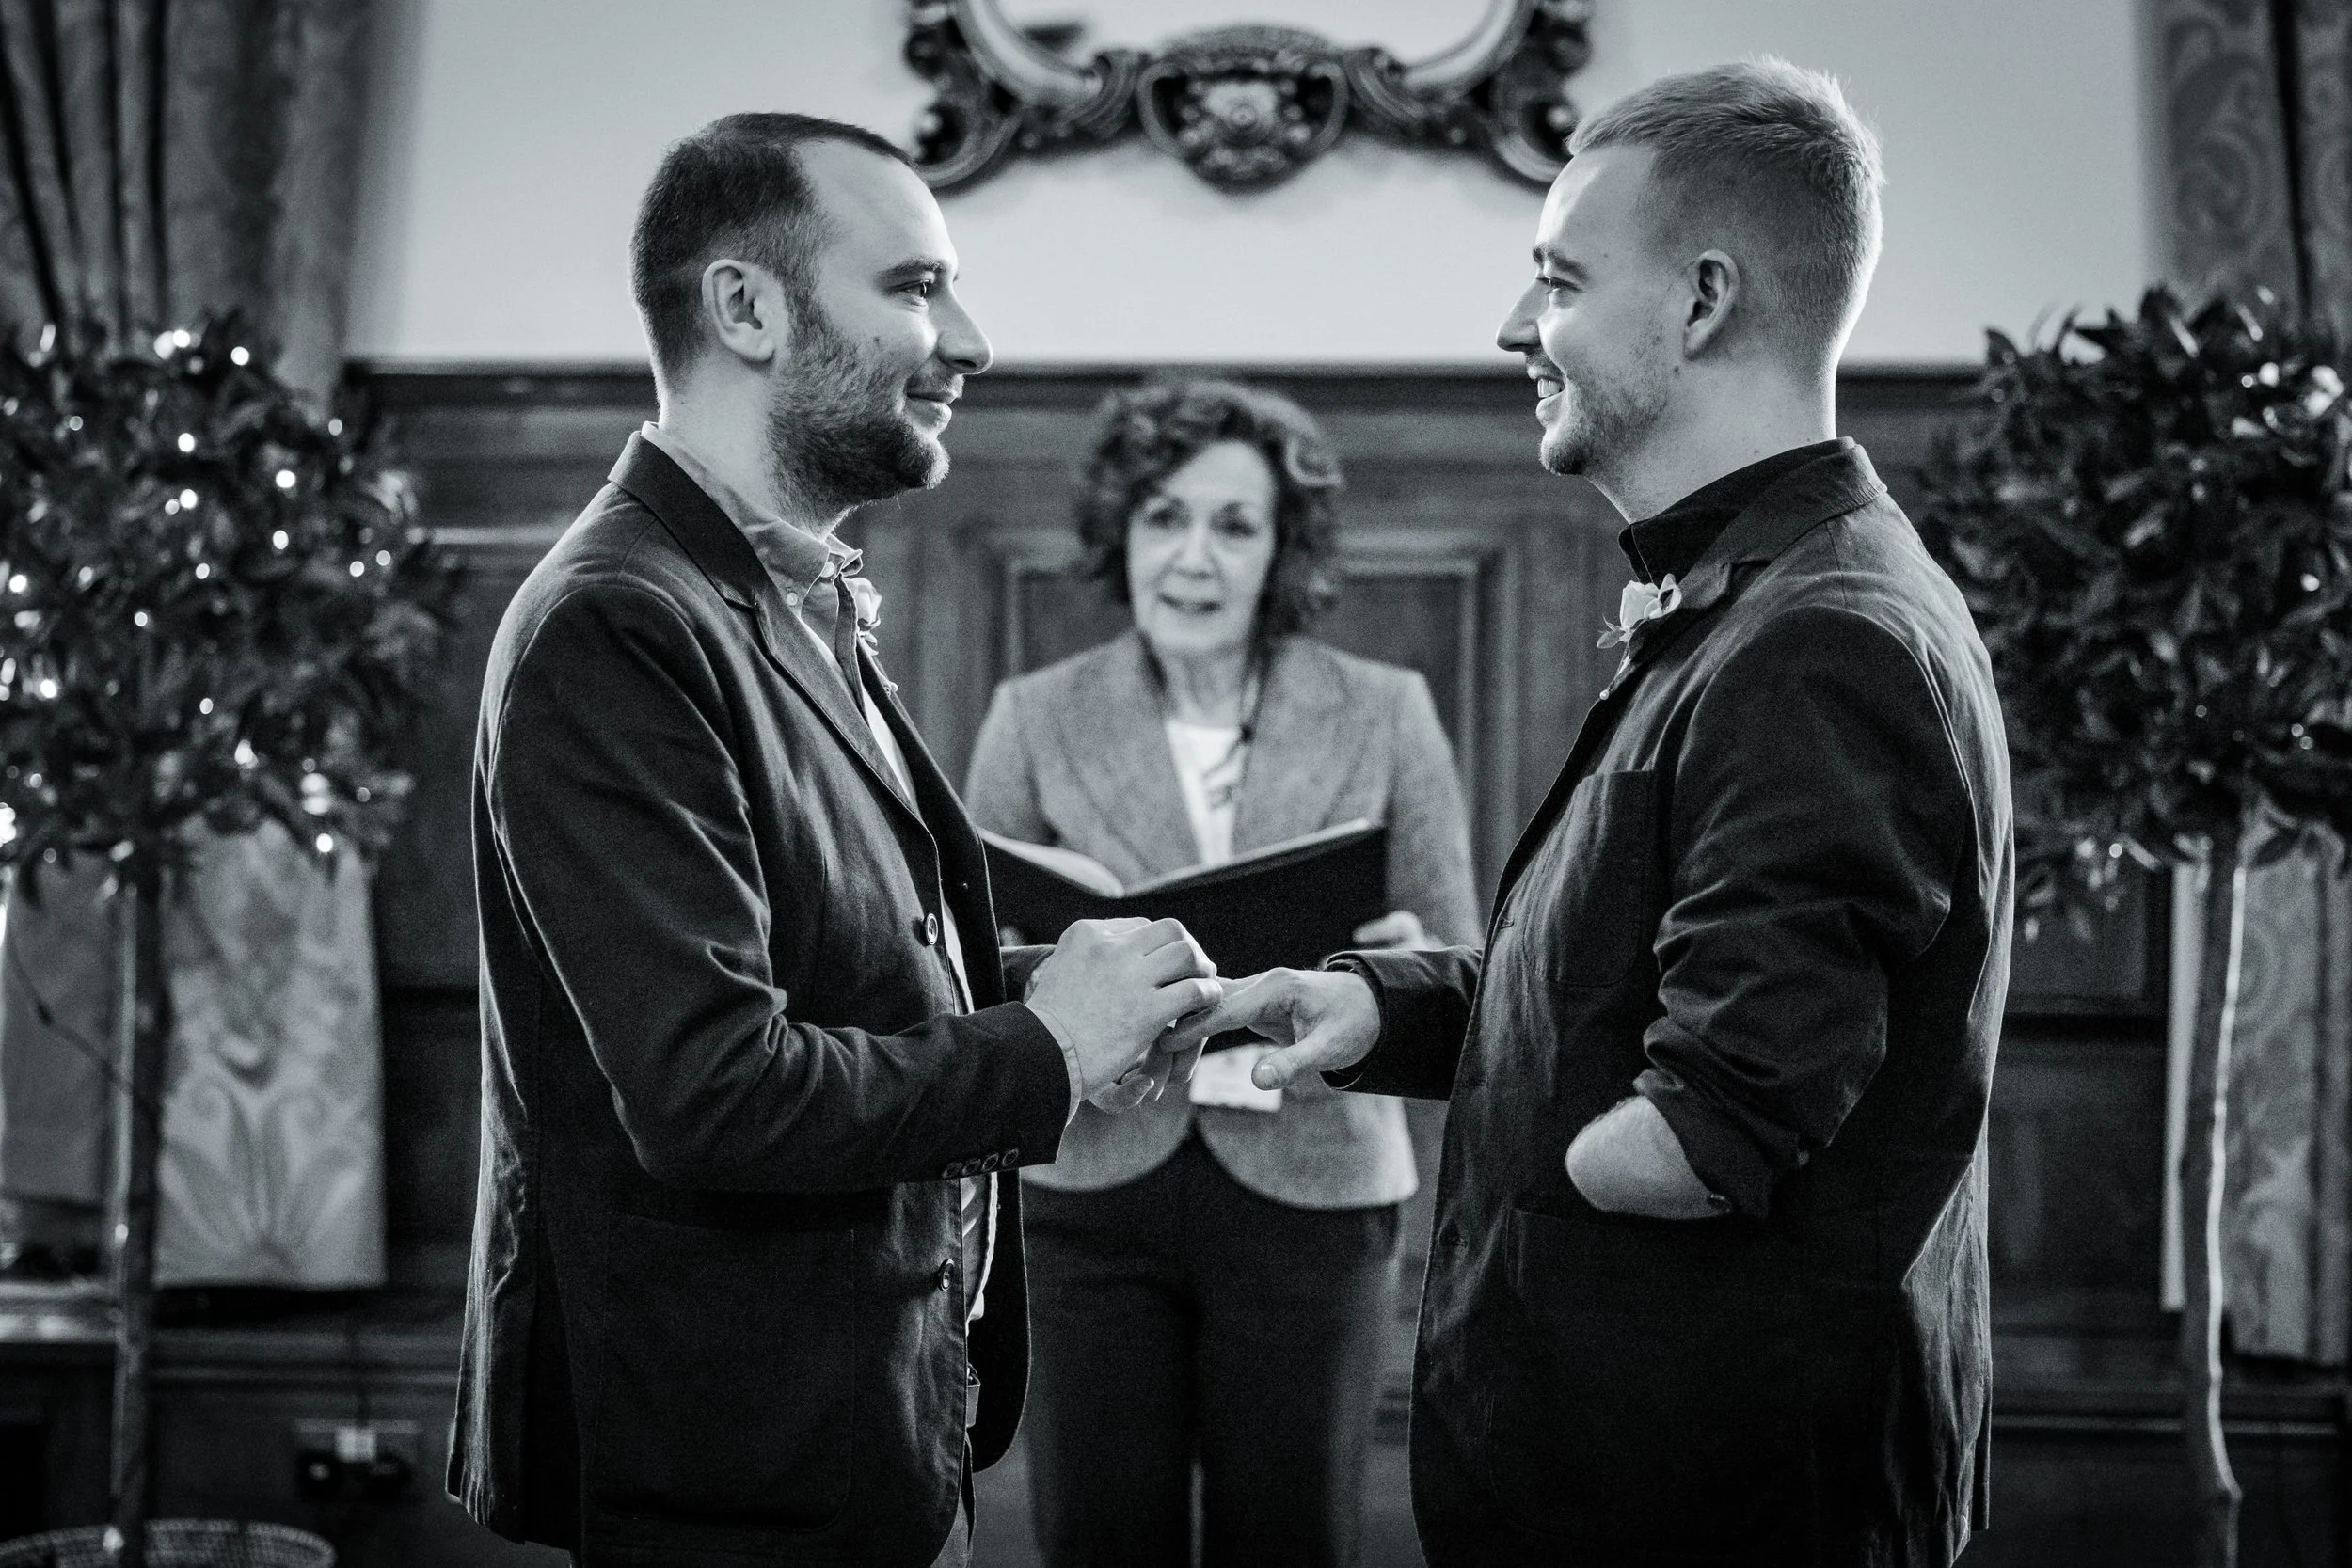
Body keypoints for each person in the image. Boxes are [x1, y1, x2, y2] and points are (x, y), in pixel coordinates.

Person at [1181, 59, 2013, 1568]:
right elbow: (1625, 981)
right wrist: (1384, 1008)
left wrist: (1537, 1170)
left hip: (1709, 1492)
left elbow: (1707, 1128)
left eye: (1559, 280)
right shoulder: (1758, 596)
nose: (1517, 326)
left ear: (1702, 300)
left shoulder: (1824, 638)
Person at [450, 114, 1217, 1568]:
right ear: (746, 306)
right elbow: (714, 1089)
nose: (968, 340)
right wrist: (1047, 1048)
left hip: (880, 1419)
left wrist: (1105, 998)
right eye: (916, 288)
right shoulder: (618, 617)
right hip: (740, 1459)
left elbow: (835, 964)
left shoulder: (774, 589)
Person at [963, 378, 1481, 1568]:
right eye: (1164, 517)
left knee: (1290, 1533)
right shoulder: (1032, 714)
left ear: (1279, 550)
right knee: (1100, 1536)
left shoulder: (1386, 709)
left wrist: (1392, 961)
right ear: (1123, 531)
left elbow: (1456, 955)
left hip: (1315, 1178)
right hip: (1088, 1183)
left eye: (1233, 524)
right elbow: (978, 963)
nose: (1192, 556)